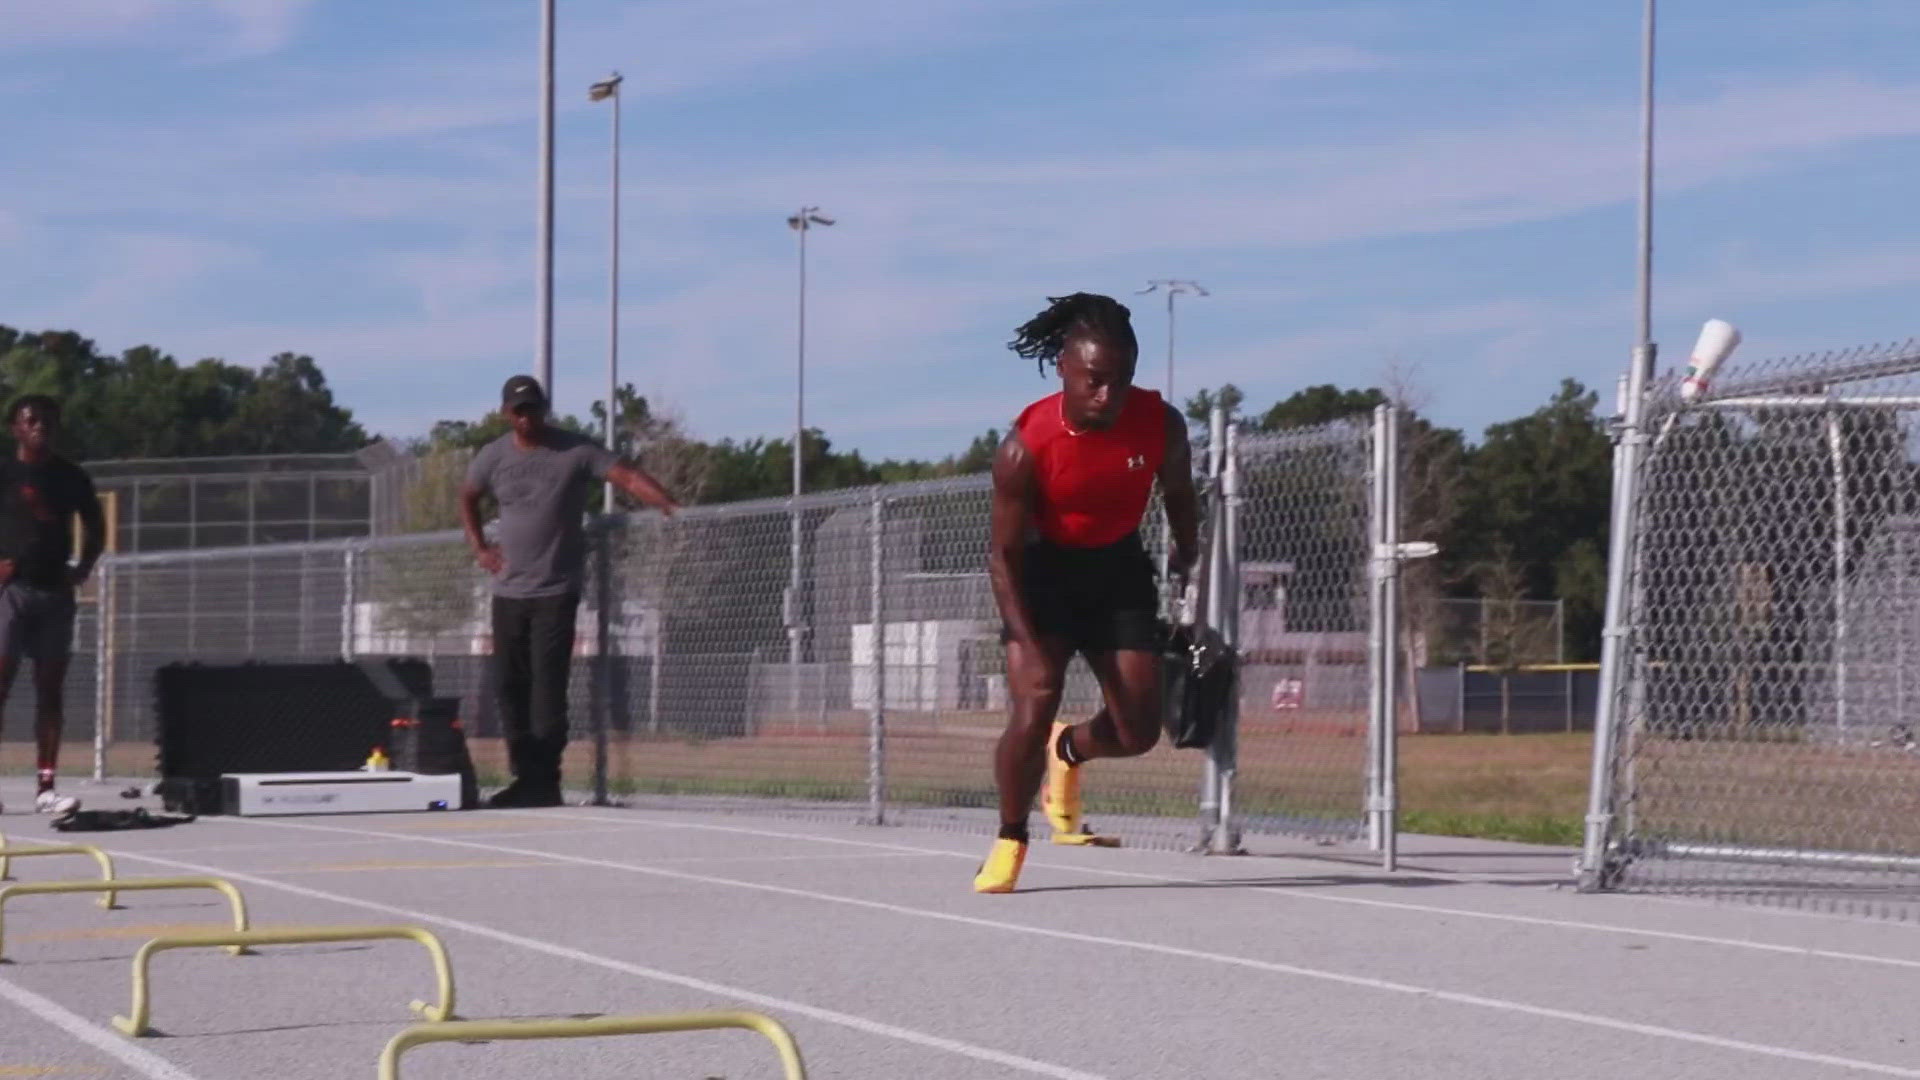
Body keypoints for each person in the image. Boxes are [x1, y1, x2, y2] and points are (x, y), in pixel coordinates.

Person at [973, 293, 1201, 893]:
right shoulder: (1026, 446)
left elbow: (1178, 493)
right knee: (1035, 698)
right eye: (1095, 381)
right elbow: (1002, 555)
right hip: (1041, 572)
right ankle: (1010, 836)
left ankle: (1068, 751)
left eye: (1121, 381)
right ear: (1064, 371)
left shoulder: (1161, 424)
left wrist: (1187, 548)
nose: (1109, 395)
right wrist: (1025, 638)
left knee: (1137, 732)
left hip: (1117, 568)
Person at [460, 375, 679, 808]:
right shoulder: (493, 456)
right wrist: (480, 548)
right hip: (508, 594)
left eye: (534, 409)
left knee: (547, 690)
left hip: (555, 591)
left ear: (545, 410)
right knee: (509, 687)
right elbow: (467, 496)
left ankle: (546, 781)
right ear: (507, 413)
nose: (527, 418)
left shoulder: (575, 450)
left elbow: (628, 477)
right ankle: (526, 778)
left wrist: (669, 506)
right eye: (519, 411)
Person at [0, 395, 104, 817]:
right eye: (32, 420)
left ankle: (46, 787)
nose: (41, 426)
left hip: (54, 595)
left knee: (50, 693)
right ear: (16, 429)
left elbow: (95, 526)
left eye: (48, 421)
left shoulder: (70, 476)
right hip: (11, 591)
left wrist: (81, 568)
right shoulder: (4, 472)